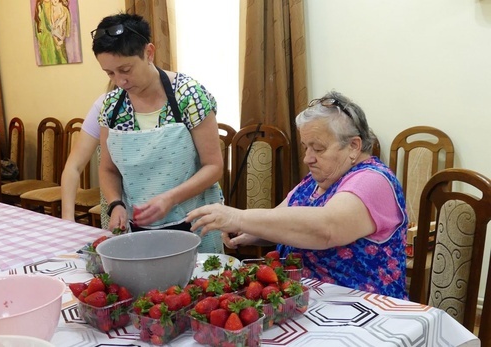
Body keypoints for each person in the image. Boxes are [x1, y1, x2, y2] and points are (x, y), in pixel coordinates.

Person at [187, 91, 409, 299]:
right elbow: (283, 221)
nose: (307, 159)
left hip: (361, 308)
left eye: (318, 149)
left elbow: (326, 229)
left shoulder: (373, 179)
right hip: (304, 299)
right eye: (305, 148)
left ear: (353, 146)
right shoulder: (317, 180)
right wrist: (250, 232)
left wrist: (237, 217)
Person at [91, 13, 224, 253]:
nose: (119, 81)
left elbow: (213, 166)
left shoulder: (189, 96)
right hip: (138, 230)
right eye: (109, 73)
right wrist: (116, 204)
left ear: (149, 52)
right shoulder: (111, 108)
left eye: (125, 69)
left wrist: (170, 198)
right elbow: (108, 169)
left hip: (193, 223)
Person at [61, 93, 108, 228]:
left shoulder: (170, 93)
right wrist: (68, 219)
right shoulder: (104, 105)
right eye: (111, 73)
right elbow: (73, 167)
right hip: (116, 211)